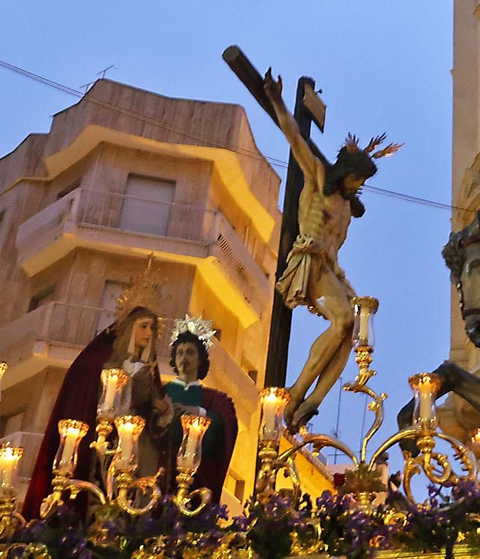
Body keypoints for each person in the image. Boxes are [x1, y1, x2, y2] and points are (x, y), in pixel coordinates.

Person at [259, 68, 399, 430]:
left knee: (349, 328)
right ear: (345, 171)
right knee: (342, 320)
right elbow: (295, 137)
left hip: (329, 269)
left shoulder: (345, 205)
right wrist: (275, 99)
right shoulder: (319, 178)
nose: (358, 186)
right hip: (308, 261)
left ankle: (312, 401)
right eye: (357, 178)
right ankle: (296, 393)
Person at [23, 300, 172, 518]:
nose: (149, 333)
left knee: (130, 500)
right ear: (129, 328)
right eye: (144, 326)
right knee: (98, 493)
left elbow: (154, 419)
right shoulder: (103, 362)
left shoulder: (149, 371)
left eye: (152, 328)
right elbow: (87, 392)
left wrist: (162, 413)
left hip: (136, 447)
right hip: (103, 439)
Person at [163, 317, 238, 501]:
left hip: (198, 481)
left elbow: (223, 431)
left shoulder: (215, 400)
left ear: (200, 359)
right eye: (179, 353)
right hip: (162, 475)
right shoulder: (161, 393)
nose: (184, 358)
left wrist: (197, 412)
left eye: (190, 352)